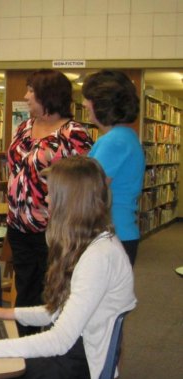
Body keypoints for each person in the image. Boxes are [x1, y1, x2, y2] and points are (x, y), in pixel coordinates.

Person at [0, 156, 136, 379]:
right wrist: (5, 313)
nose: (46, 200)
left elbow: (60, 340)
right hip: (73, 362)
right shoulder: (93, 246)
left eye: (52, 194)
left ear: (72, 201)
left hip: (75, 375)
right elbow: (58, 313)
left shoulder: (99, 257)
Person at [6, 69, 93, 334]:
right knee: (25, 288)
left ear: (48, 95)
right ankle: (24, 348)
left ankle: (52, 350)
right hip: (19, 225)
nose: (26, 96)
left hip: (53, 230)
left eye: (31, 90)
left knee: (53, 292)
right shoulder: (24, 127)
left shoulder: (73, 133)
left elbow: (83, 182)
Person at [82, 70, 145, 266]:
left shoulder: (114, 141)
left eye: (88, 99)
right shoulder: (123, 136)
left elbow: (89, 188)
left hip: (111, 233)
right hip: (117, 232)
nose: (84, 104)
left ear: (102, 104)